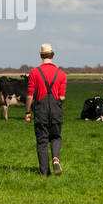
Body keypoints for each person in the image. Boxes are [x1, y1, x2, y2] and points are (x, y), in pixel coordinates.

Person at [25, 43, 67, 176]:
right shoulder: (61, 74)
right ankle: (55, 158)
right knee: (56, 137)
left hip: (40, 111)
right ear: (53, 55)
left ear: (40, 56)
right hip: (56, 110)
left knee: (42, 141)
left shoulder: (34, 72)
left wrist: (27, 112)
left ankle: (45, 173)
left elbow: (30, 95)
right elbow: (62, 97)